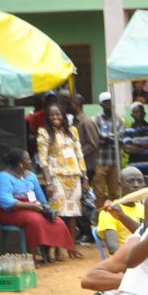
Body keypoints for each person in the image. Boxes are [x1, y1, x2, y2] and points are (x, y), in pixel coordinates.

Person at [0, 149, 76, 260]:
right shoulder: (2, 177)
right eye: (27, 159)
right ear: (20, 163)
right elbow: (6, 202)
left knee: (55, 219)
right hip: (10, 211)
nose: (30, 161)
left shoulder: (31, 176)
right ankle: (31, 257)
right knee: (35, 221)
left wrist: (44, 208)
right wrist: (31, 206)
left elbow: (41, 198)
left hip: (32, 207)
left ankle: (49, 252)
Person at [38, 103, 88, 252]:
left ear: (63, 115)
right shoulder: (44, 133)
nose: (55, 117)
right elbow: (43, 160)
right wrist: (48, 183)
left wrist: (85, 178)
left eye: (58, 114)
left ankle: (71, 247)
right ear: (48, 117)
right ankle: (58, 249)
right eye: (52, 115)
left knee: (73, 213)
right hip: (56, 177)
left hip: (74, 177)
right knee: (58, 213)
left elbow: (80, 155)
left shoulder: (72, 131)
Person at [97, 167, 146, 255]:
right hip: (125, 261)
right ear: (120, 184)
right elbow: (113, 249)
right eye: (130, 181)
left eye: (140, 181)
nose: (136, 185)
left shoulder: (144, 208)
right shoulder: (110, 211)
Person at [92, 92, 124, 208]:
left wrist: (105, 136)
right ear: (101, 104)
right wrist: (112, 137)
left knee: (114, 192)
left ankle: (114, 215)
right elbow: (96, 139)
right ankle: (100, 216)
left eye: (111, 102)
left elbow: (120, 139)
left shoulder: (119, 120)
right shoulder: (95, 120)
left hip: (115, 162)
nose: (109, 105)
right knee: (99, 192)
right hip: (100, 161)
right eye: (106, 103)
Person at [122, 103, 148, 183]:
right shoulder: (128, 131)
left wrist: (137, 144)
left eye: (141, 112)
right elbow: (128, 149)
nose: (139, 114)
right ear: (132, 115)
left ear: (144, 113)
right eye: (136, 112)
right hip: (135, 176)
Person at [71, 95, 100, 186]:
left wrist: (77, 154)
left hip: (88, 166)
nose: (67, 107)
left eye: (70, 104)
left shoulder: (86, 122)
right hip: (79, 165)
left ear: (76, 105)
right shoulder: (75, 122)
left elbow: (93, 144)